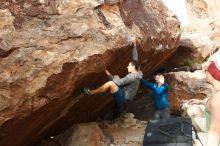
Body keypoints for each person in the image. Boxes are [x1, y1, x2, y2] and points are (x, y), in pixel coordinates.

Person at [84, 37, 142, 106]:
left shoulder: (132, 76)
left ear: (133, 67)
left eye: (129, 66)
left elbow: (119, 83)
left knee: (111, 83)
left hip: (123, 98)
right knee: (115, 78)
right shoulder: (136, 71)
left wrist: (114, 76)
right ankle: (103, 90)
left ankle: (90, 92)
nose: (127, 67)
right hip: (124, 91)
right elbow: (135, 57)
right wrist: (134, 44)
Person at [189, 60, 220, 146]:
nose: (205, 72)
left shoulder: (217, 99)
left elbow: (215, 132)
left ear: (212, 74)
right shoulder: (217, 95)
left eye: (206, 71)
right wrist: (201, 102)